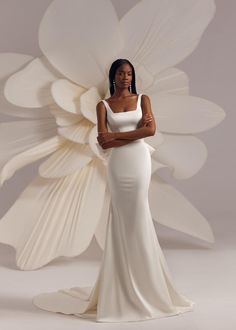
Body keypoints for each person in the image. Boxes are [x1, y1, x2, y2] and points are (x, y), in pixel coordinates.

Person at [32, 58, 195, 322]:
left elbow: (150, 130)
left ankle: (149, 287)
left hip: (139, 161)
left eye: (129, 73)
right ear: (113, 76)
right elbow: (102, 141)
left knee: (139, 215)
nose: (125, 77)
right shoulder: (103, 105)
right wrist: (132, 133)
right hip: (118, 166)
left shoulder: (143, 99)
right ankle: (120, 287)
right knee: (120, 219)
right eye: (121, 73)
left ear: (133, 76)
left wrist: (120, 136)